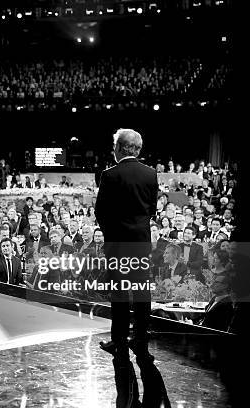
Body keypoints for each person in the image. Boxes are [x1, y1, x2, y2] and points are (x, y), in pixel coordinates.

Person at [95, 129, 162, 406]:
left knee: (120, 295)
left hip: (118, 245)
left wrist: (113, 234)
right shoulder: (151, 174)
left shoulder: (109, 175)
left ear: (120, 149)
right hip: (141, 244)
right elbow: (152, 210)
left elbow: (101, 212)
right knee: (142, 292)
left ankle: (119, 342)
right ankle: (141, 341)